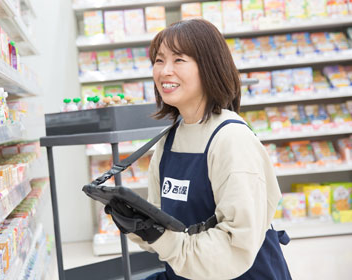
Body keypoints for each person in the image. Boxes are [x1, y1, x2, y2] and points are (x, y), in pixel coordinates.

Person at [104, 19, 292, 280]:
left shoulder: (231, 139)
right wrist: (138, 226)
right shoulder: (169, 139)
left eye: (179, 60)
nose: (164, 71)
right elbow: (164, 230)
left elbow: (236, 246)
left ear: (209, 67)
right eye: (159, 60)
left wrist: (163, 239)